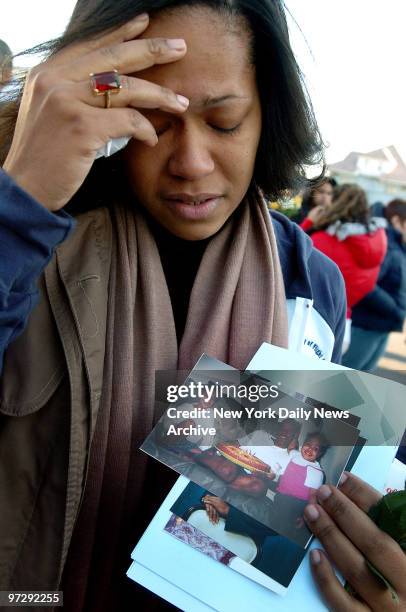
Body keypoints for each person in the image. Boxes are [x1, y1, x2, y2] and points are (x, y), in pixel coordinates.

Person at [0, 1, 402, 610]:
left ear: (270, 115)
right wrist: (21, 199)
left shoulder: (309, 279)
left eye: (224, 121)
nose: (191, 163)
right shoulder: (32, 236)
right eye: (154, 122)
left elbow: (334, 480)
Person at [300, 183, 387, 352]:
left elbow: (287, 255)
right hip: (343, 323)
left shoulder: (324, 240)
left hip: (310, 319)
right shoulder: (377, 240)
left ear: (336, 202)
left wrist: (309, 223)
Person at [343, 198, 406, 371]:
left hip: (383, 324)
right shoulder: (385, 243)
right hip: (367, 324)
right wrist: (394, 308)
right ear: (396, 221)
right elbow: (368, 284)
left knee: (360, 382)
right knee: (345, 378)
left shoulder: (398, 246)